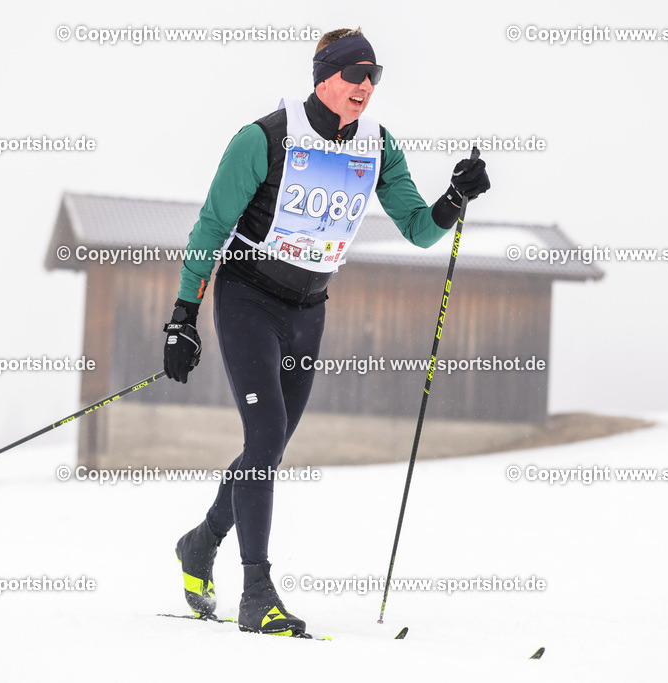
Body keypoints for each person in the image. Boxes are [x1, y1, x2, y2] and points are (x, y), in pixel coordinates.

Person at [163, 27, 489, 637]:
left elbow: (418, 229)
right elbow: (210, 226)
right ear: (323, 76)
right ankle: (256, 592)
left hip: (309, 308)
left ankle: (199, 542)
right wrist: (183, 317)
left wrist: (455, 195)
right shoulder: (265, 138)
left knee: (272, 444)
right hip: (248, 297)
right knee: (264, 436)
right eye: (353, 73)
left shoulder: (379, 147)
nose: (365, 86)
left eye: (375, 76)